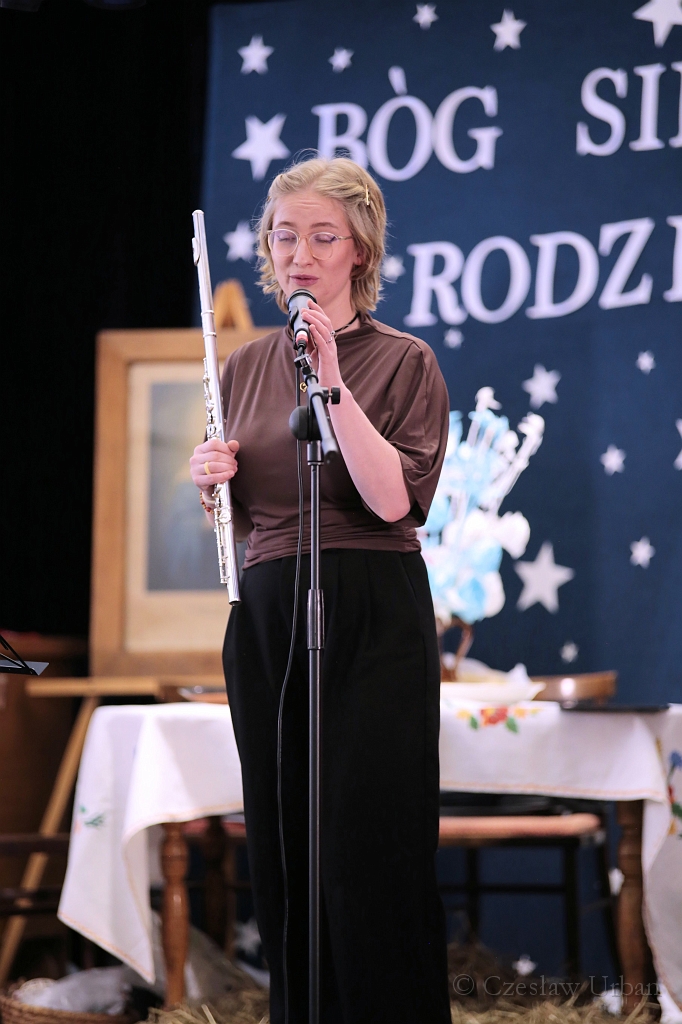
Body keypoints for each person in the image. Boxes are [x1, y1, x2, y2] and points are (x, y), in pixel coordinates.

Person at [190, 157, 451, 1024]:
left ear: (359, 251)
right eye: (284, 236)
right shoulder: (241, 368)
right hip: (269, 611)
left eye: (322, 237)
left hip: (369, 609)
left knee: (369, 848)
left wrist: (331, 379)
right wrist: (209, 483)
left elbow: (390, 500)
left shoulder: (405, 361)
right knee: (285, 849)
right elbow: (241, 527)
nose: (299, 255)